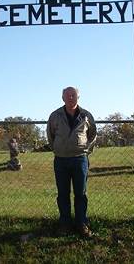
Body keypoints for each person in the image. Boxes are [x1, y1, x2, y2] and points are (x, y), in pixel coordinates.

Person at [46, 86, 97, 237]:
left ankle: (82, 223)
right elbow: (50, 135)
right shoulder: (55, 115)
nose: (70, 97)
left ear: (78, 97)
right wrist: (58, 149)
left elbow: (93, 134)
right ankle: (65, 224)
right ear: (62, 98)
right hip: (61, 161)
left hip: (80, 159)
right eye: (67, 95)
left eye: (73, 95)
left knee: (81, 193)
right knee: (63, 194)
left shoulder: (86, 115)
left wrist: (86, 149)